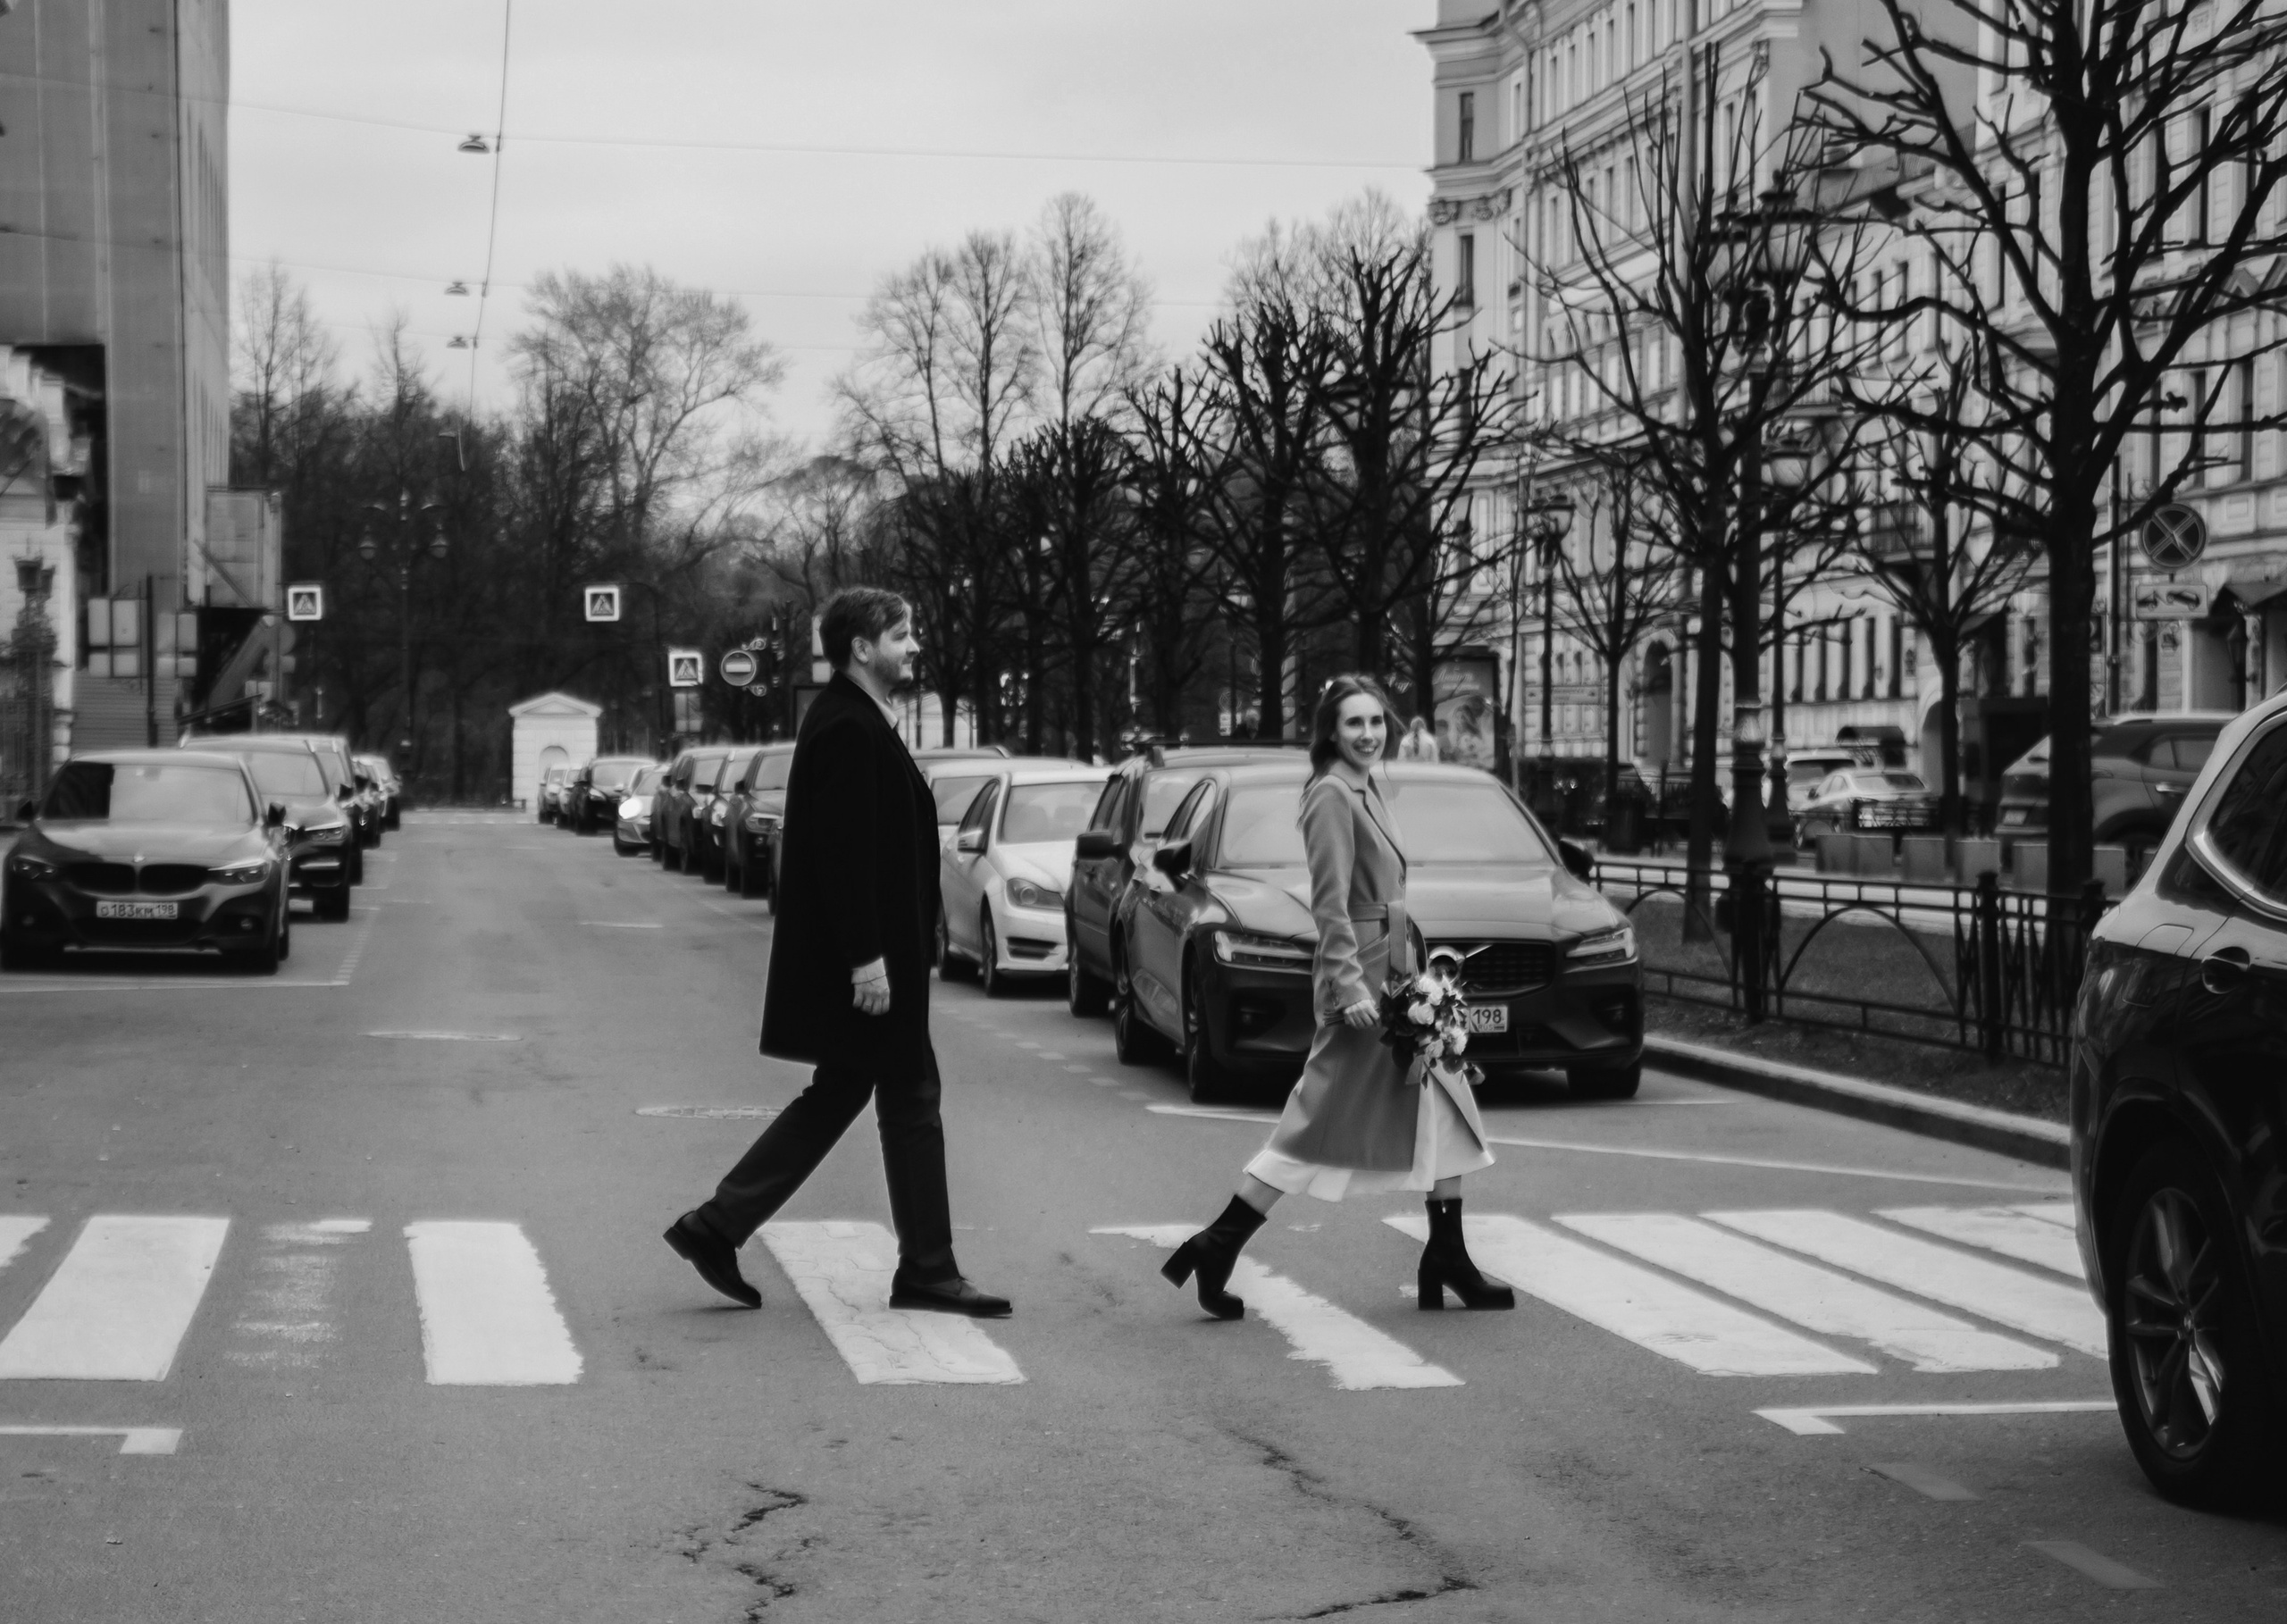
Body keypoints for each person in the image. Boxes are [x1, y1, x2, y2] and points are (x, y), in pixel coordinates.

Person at [664, 586, 1009, 1318]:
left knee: (864, 1094)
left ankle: (723, 1226)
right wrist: (867, 960)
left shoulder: (857, 720)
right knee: (902, 1096)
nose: (915, 646)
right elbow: (845, 858)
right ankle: (922, 1267)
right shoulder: (849, 728)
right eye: (904, 634)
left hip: (882, 958)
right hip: (873, 963)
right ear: (862, 646)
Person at [1160, 675, 1513, 1319]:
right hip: (1368, 990)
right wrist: (1352, 987)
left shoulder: (1367, 785)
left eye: (1376, 722)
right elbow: (1330, 903)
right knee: (1312, 1125)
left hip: (1400, 978)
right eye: (1354, 724)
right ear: (1330, 731)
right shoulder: (1330, 794)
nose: (1368, 734)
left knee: (1448, 1107)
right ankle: (1217, 1243)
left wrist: (1419, 979)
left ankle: (1447, 1255)